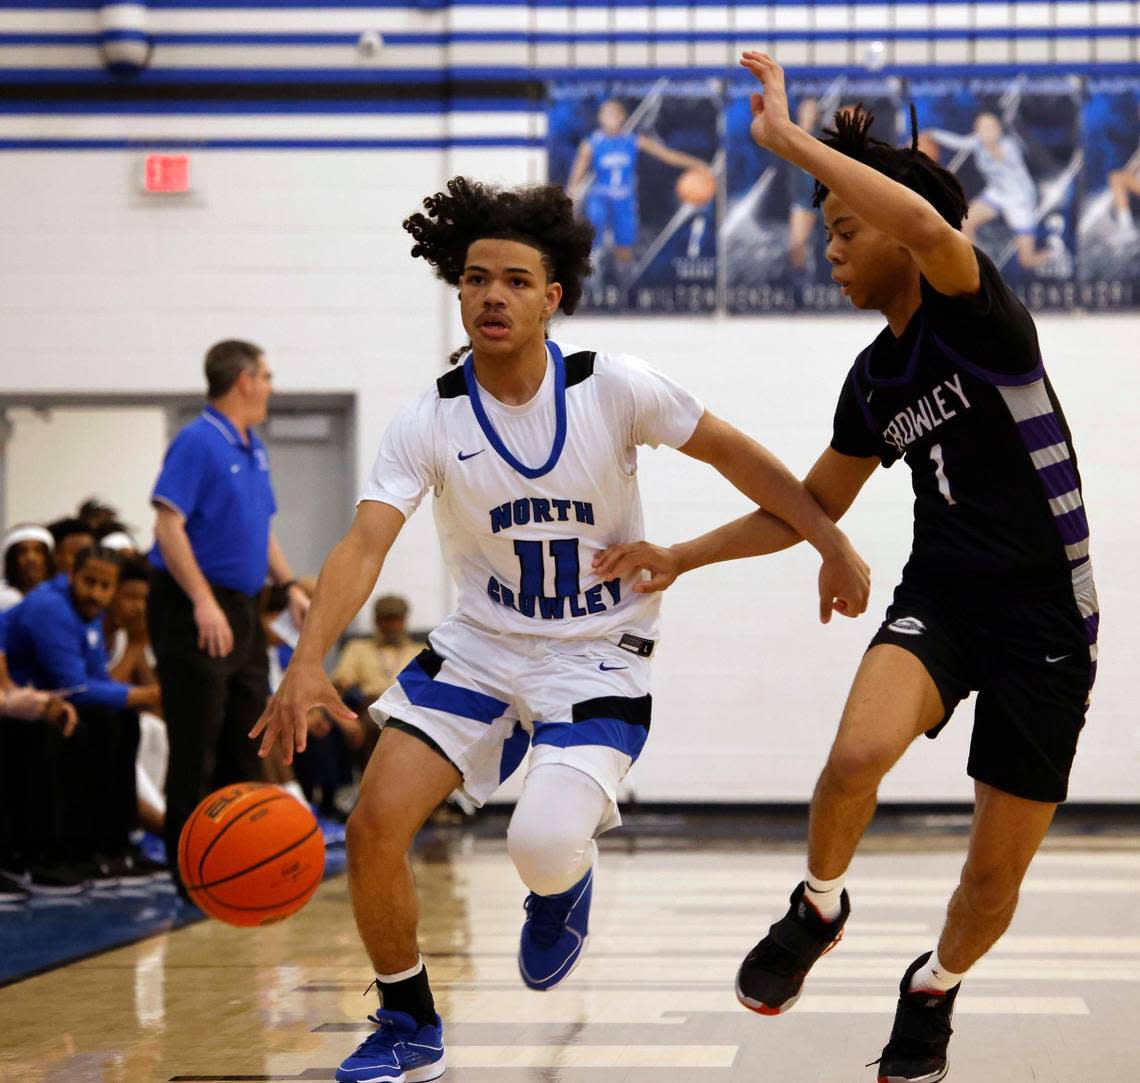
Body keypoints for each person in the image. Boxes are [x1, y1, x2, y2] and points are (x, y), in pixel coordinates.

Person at [250, 176, 869, 1083]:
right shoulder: (428, 418)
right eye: (474, 279)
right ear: (457, 292)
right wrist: (309, 660)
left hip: (597, 652)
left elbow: (743, 458)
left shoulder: (613, 387)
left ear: (553, 297)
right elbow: (364, 542)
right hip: (481, 646)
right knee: (374, 824)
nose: (491, 294)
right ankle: (408, 1021)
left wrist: (831, 539)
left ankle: (562, 879)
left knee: (537, 844)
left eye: (512, 279)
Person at [596, 53, 1099, 1083]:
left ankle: (935, 987)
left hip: (1049, 621)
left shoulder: (980, 314)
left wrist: (788, 141)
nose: (829, 247)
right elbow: (813, 505)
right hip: (945, 598)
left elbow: (926, 227)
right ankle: (819, 904)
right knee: (854, 758)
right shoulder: (874, 379)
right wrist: (681, 557)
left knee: (990, 884)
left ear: (904, 226)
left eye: (842, 227)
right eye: (825, 227)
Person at [147, 338, 310, 897]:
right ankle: (186, 873)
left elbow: (259, 528)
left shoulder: (252, 445)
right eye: (266, 375)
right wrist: (201, 601)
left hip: (240, 606)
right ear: (244, 380)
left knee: (248, 737)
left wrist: (287, 586)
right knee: (198, 740)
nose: (271, 385)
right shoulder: (198, 440)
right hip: (193, 604)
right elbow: (168, 525)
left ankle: (237, 862)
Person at [5, 545, 163, 885]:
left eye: (105, 587)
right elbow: (75, 687)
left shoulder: (86, 615)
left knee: (122, 722)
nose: (96, 593)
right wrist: (147, 694)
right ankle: (43, 855)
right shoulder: (51, 608)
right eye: (88, 582)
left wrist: (137, 698)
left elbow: (96, 683)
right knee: (69, 728)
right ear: (71, 576)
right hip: (15, 706)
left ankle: (112, 847)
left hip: (41, 703)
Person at [567, 98, 713, 282]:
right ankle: (589, 277)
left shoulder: (633, 140)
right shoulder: (591, 143)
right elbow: (576, 174)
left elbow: (667, 155)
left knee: (624, 248)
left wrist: (697, 164)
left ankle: (623, 286)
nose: (610, 117)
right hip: (601, 197)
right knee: (594, 227)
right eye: (606, 113)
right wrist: (570, 197)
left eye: (614, 113)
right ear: (600, 118)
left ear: (622, 117)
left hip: (624, 200)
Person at [925, 112, 1052, 271]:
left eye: (990, 126)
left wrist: (989, 143)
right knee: (965, 222)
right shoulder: (976, 141)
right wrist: (933, 134)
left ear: (999, 129)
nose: (986, 130)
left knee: (1026, 260)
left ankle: (1052, 254)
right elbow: (958, 142)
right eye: (981, 127)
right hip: (997, 193)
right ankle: (973, 266)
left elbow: (999, 156)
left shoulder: (1008, 145)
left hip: (1020, 199)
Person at [0, 524, 54, 612]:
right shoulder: (2, 597)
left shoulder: (61, 596)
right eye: (22, 551)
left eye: (38, 551)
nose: (31, 558)